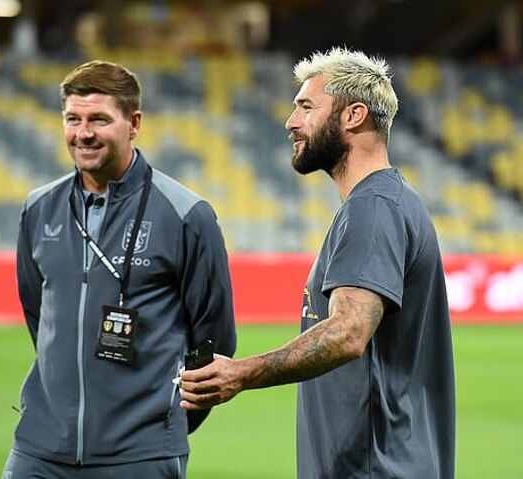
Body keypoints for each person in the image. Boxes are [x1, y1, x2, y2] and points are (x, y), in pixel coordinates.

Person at [179, 47, 455, 478]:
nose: (291, 122)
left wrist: (241, 373)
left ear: (353, 116)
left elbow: (348, 332)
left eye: (306, 107)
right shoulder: (387, 201)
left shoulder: (373, 208)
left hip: (373, 468)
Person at [3, 60, 237, 479]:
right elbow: (38, 314)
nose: (83, 133)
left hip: (140, 455)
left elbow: (213, 339)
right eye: (72, 119)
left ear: (134, 124)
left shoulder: (186, 215)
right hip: (39, 449)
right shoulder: (39, 208)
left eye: (99, 119)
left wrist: (164, 424)